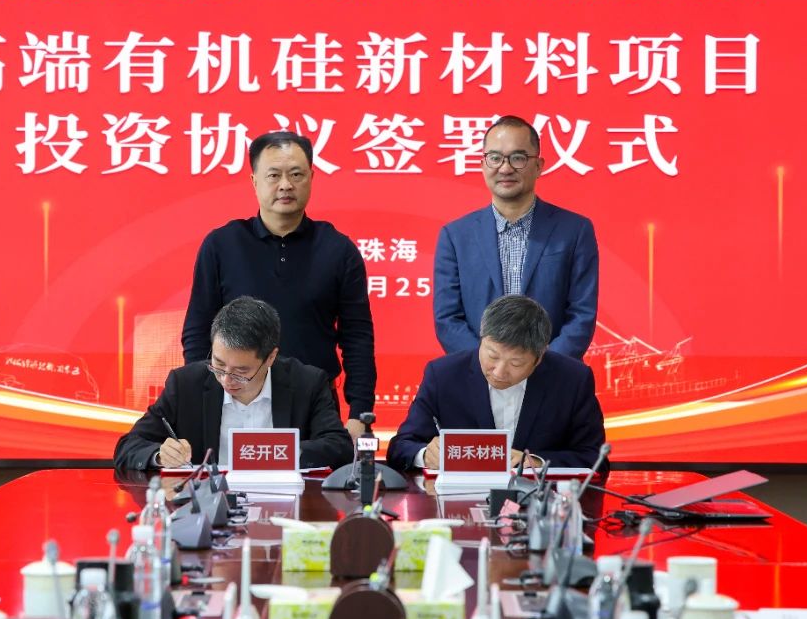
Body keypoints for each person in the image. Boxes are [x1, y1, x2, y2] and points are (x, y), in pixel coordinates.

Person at [181, 130, 375, 440]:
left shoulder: (338, 250)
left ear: (311, 177)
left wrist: (359, 414)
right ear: (254, 181)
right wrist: (201, 397)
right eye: (274, 175)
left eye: (296, 174)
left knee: (316, 472)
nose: (285, 184)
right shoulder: (222, 245)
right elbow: (197, 330)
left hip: (313, 404)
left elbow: (358, 338)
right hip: (235, 401)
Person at [116, 297, 351, 471]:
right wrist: (160, 455)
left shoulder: (307, 383)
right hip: (210, 508)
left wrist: (280, 452)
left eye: (241, 371)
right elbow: (128, 446)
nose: (226, 380)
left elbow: (340, 447)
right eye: (218, 365)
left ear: (270, 358)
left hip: (286, 505)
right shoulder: (185, 384)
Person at [434, 114, 599, 359]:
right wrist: (491, 366)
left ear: (539, 166)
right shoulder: (456, 236)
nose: (505, 168)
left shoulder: (575, 231)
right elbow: (448, 319)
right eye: (495, 158)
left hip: (552, 374)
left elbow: (581, 314)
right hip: (478, 375)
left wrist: (544, 366)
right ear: (483, 165)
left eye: (518, 158)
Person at [387, 294, 606, 472]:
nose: (499, 372)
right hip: (460, 502)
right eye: (492, 355)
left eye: (516, 363)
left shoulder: (572, 380)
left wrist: (538, 462)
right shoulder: (443, 375)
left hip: (540, 504)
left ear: (539, 357)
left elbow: (595, 456)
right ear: (482, 339)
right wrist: (425, 455)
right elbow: (401, 447)